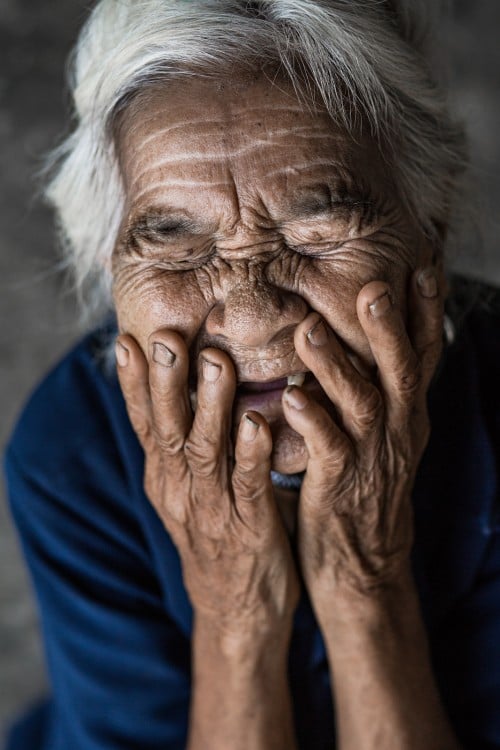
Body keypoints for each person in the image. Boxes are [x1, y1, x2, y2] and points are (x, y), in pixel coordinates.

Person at [4, 1, 500, 748]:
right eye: (176, 247)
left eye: (316, 228)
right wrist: (236, 610)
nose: (253, 314)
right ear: (112, 268)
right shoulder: (74, 449)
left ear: (424, 232)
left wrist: (364, 581)